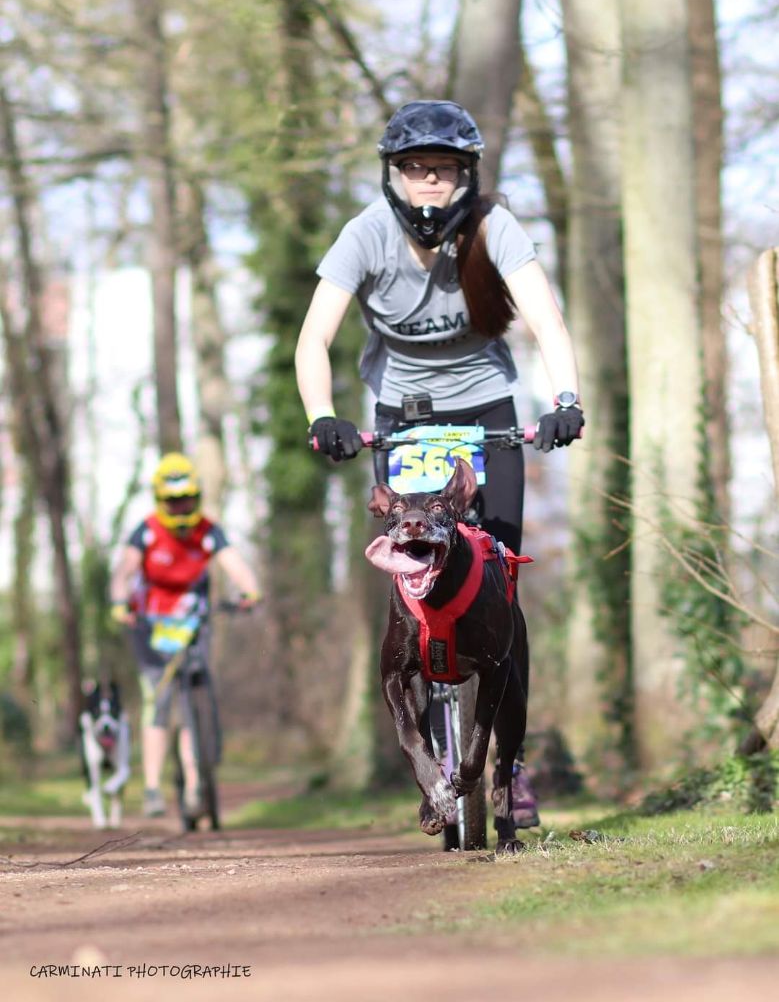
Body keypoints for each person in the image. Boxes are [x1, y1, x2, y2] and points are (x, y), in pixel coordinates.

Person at [294, 100, 585, 829]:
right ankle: (427, 765)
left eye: (446, 171)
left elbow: (546, 320)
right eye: (416, 171)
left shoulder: (495, 228)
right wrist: (321, 417)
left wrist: (565, 399)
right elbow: (312, 339)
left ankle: (508, 771)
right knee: (412, 581)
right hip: (402, 418)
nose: (430, 184)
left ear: (467, 176)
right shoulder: (365, 234)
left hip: (487, 410)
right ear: (393, 175)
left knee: (502, 589)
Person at [110, 452, 260, 819]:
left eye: (187, 501)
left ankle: (195, 786)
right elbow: (124, 570)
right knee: (158, 703)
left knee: (195, 700)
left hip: (194, 625)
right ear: (161, 501)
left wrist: (250, 590)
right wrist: (118, 601)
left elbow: (233, 562)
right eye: (174, 503)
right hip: (151, 627)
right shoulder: (145, 531)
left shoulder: (208, 531)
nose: (181, 509)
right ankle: (151, 789)